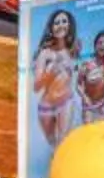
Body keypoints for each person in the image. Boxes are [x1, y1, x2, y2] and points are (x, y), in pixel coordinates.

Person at [32, 10, 79, 152]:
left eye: (64, 21)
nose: (60, 25)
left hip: (66, 101)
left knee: (62, 142)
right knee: (52, 142)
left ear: (70, 25)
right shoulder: (45, 53)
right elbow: (36, 87)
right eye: (56, 22)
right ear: (51, 27)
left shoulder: (74, 49)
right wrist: (52, 72)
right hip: (47, 106)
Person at [78, 29, 104, 126]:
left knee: (102, 132)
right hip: (89, 105)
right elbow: (78, 84)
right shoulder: (87, 63)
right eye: (100, 42)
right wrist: (84, 97)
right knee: (88, 133)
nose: (103, 45)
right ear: (95, 45)